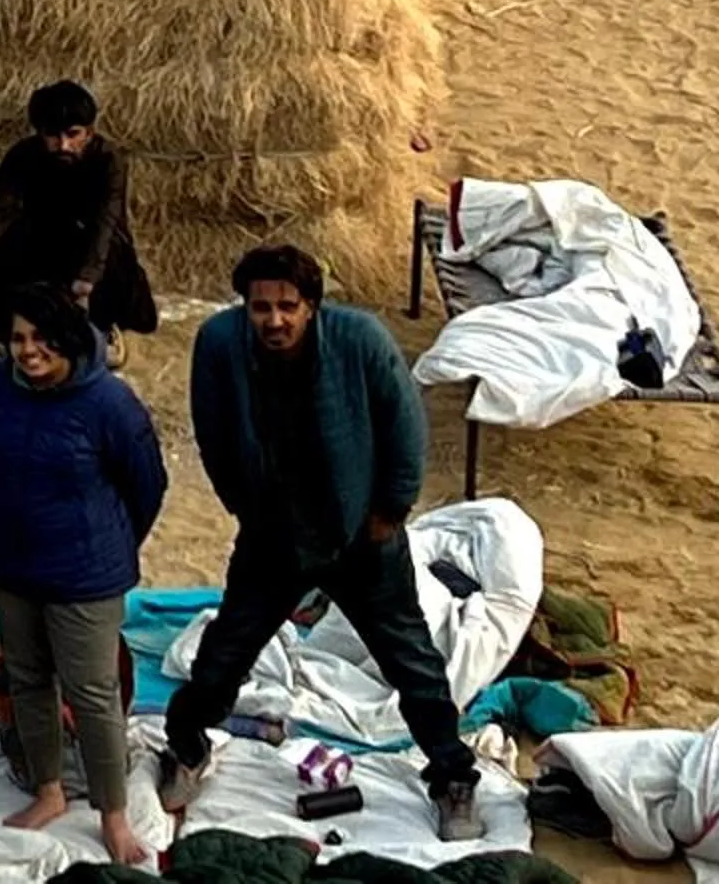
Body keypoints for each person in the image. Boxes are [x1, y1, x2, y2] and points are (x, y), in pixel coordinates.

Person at [160, 245, 486, 841]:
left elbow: (404, 425)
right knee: (225, 653)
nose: (274, 320)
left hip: (361, 532)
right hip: (274, 536)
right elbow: (212, 432)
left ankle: (452, 776)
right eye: (262, 307)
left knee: (411, 661)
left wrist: (390, 510)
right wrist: (246, 507)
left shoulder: (359, 341)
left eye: (288, 306)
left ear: (311, 306)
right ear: (246, 307)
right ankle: (185, 748)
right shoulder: (221, 344)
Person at [0, 281, 168, 867]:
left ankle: (112, 815)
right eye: (17, 339)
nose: (29, 351)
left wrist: (109, 542)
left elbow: (147, 483)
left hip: (86, 574)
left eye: (41, 339)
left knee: (92, 693)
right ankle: (50, 790)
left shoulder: (109, 402)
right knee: (29, 679)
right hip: (11, 564)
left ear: (67, 339)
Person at [0, 82, 159, 351]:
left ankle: (100, 326)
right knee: (9, 242)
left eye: (72, 134)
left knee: (113, 254)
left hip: (91, 250)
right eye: (53, 135)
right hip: (43, 243)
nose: (63, 144)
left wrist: (86, 285)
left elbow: (106, 222)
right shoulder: (23, 156)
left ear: (89, 132)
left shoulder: (108, 161)